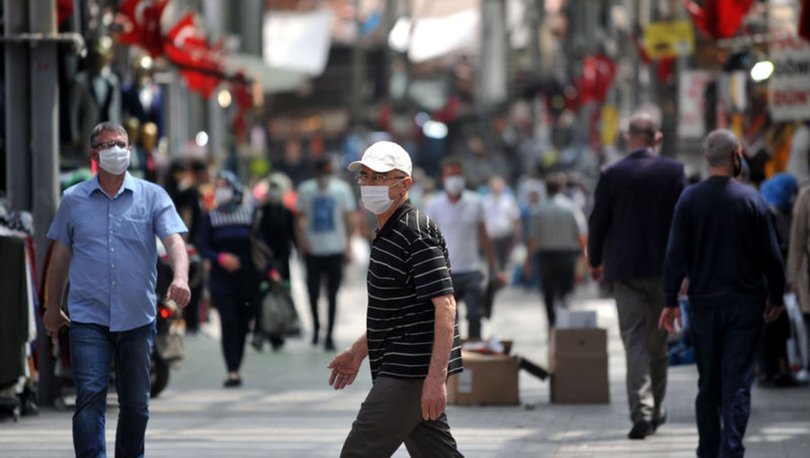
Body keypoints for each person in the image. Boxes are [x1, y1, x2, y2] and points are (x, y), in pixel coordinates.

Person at [43, 121, 190, 457]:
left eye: (122, 144)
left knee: (136, 405)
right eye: (109, 145)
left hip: (137, 318)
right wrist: (52, 307)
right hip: (87, 318)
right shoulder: (73, 200)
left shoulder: (153, 196)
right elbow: (59, 257)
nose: (118, 151)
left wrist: (180, 278)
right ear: (94, 154)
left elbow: (175, 242)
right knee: (90, 397)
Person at [328, 141, 464, 457]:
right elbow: (400, 311)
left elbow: (445, 306)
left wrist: (435, 380)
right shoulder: (389, 232)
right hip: (399, 363)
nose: (368, 184)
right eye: (365, 176)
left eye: (379, 177)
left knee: (357, 453)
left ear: (404, 184)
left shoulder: (415, 231)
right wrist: (358, 351)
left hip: (410, 370)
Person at [660, 129, 785, 458]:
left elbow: (675, 256)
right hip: (745, 305)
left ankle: (707, 450)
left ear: (706, 159)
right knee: (738, 383)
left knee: (709, 383)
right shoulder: (752, 199)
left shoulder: (689, 199)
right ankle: (730, 451)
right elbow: (772, 257)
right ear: (737, 156)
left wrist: (671, 301)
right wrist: (776, 295)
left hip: (704, 305)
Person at [587, 112, 686, 439]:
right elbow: (682, 223)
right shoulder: (674, 172)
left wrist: (595, 260)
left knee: (634, 341)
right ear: (656, 138)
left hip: (625, 272)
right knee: (659, 342)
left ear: (629, 138)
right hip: (663, 271)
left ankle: (641, 413)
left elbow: (598, 221)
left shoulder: (611, 173)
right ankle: (656, 408)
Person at [426, 156, 503, 340]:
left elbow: (484, 238)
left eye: (458, 175)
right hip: (445, 272)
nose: (455, 179)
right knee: (450, 319)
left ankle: (475, 350)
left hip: (471, 270)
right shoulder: (434, 205)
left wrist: (495, 268)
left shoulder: (476, 202)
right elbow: (428, 241)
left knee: (475, 314)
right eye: (450, 175)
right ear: (443, 178)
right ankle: (454, 358)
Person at [197, 170, 259, 387]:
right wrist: (220, 257)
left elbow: (257, 245)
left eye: (225, 185)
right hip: (221, 279)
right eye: (218, 186)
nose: (221, 190)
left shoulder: (248, 213)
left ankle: (237, 364)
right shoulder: (211, 216)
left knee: (243, 324)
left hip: (246, 278)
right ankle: (231, 369)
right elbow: (203, 247)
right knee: (228, 321)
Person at [296, 158, 356, 350]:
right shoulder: (305, 190)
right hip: (312, 250)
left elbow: (349, 218)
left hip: (334, 248)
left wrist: (348, 245)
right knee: (312, 292)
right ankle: (316, 328)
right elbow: (298, 218)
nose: (325, 177)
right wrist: (302, 242)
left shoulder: (341, 190)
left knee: (332, 294)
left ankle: (329, 334)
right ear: (316, 173)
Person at [524, 172, 587, 329]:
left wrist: (527, 260)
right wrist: (584, 256)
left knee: (548, 294)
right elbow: (582, 235)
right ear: (562, 188)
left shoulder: (538, 210)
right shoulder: (571, 208)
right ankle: (564, 326)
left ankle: (552, 326)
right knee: (566, 292)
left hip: (546, 257)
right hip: (567, 256)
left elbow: (533, 239)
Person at [252, 174, 298, 350]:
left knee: (281, 295)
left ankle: (277, 334)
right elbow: (256, 238)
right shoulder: (260, 212)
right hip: (263, 261)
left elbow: (292, 236)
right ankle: (259, 332)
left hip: (283, 261)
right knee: (261, 298)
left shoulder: (287, 213)